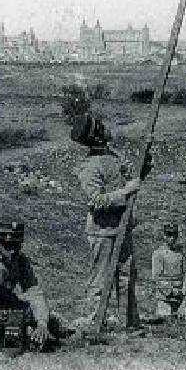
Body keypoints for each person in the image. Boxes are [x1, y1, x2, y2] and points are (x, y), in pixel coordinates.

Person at [70, 113, 152, 328]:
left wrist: (144, 165)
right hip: (102, 231)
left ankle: (129, 323)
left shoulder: (114, 156)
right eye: (101, 127)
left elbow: (133, 178)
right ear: (96, 135)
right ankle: (96, 322)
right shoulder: (89, 167)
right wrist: (126, 191)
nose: (106, 129)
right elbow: (96, 201)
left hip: (123, 228)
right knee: (100, 280)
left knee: (126, 277)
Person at [0, 221, 60, 348]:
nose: (12, 251)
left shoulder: (21, 261)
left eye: (16, 245)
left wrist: (42, 323)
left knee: (49, 319)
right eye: (7, 245)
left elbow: (34, 293)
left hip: (4, 307)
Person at [151, 223, 186, 319]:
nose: (172, 238)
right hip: (165, 297)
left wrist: (185, 288)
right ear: (164, 236)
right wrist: (170, 291)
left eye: (174, 235)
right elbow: (157, 277)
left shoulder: (180, 254)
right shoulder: (158, 254)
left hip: (180, 296)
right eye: (169, 235)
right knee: (165, 321)